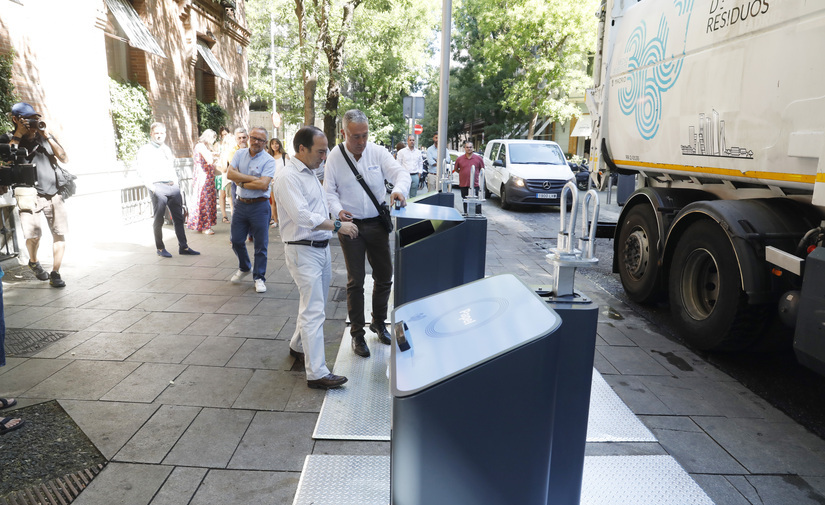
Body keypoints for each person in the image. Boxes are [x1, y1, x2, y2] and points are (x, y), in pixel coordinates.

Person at [273, 126, 358, 389]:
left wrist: (336, 216)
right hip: (302, 249)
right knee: (313, 311)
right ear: (302, 149)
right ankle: (317, 373)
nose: (324, 156)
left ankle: (298, 346)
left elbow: (318, 206)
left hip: (318, 250)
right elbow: (302, 216)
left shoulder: (310, 173)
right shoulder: (287, 177)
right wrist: (335, 226)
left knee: (313, 306)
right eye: (320, 151)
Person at [324, 109, 409, 358]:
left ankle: (378, 323)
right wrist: (338, 211)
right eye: (355, 137)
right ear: (344, 133)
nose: (361, 142)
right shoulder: (335, 157)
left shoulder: (378, 152)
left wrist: (399, 190)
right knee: (356, 280)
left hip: (376, 224)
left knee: (384, 275)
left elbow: (400, 174)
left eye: (364, 135)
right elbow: (329, 191)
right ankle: (357, 334)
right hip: (350, 226)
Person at [0, 103, 70, 287]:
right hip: (29, 195)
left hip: (54, 193)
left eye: (35, 118)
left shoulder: (44, 137)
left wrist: (47, 136)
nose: (33, 122)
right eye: (28, 119)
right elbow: (7, 159)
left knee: (59, 234)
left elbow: (64, 158)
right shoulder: (9, 138)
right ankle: (33, 261)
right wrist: (19, 134)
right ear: (16, 120)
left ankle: (55, 273)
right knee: (33, 236)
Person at [136, 122, 200, 258]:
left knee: (179, 218)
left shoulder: (166, 149)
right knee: (159, 219)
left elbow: (172, 167)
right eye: (156, 133)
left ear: (165, 134)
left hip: (172, 187)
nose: (159, 136)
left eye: (162, 133)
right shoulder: (145, 150)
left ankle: (184, 246)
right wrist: (153, 188)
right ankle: (160, 248)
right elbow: (141, 171)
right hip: (158, 187)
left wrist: (176, 183)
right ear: (151, 134)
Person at [226, 127, 275, 293]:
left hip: (260, 206)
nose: (256, 142)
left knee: (261, 245)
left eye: (260, 140)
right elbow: (230, 174)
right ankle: (245, 266)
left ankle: (259, 277)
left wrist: (240, 181)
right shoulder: (240, 154)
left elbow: (263, 185)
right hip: (240, 204)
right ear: (249, 138)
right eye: (253, 138)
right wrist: (253, 179)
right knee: (237, 240)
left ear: (265, 143)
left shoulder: (269, 160)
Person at [187, 129, 218, 235]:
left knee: (204, 199)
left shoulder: (200, 146)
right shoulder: (201, 146)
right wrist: (217, 156)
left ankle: (201, 225)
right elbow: (209, 160)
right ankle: (205, 226)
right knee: (204, 200)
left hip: (205, 176)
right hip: (203, 177)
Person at [218, 128, 248, 223]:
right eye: (239, 138)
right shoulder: (232, 152)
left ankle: (251, 233)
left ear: (247, 138)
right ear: (236, 139)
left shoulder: (253, 150)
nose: (242, 140)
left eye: (244, 137)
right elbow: (233, 169)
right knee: (237, 207)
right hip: (237, 184)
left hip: (251, 183)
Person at [454, 140, 484, 213]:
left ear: (473, 148)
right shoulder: (459, 159)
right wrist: (463, 173)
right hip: (463, 184)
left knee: (476, 201)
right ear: (464, 148)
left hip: (475, 184)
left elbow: (482, 170)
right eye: (467, 147)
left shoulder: (478, 158)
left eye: (470, 147)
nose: (469, 149)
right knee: (465, 201)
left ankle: (478, 216)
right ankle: (466, 215)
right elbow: (456, 169)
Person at [266, 137, 289, 228]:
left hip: (283, 182)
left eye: (276, 143)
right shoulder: (269, 157)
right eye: (272, 144)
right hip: (272, 182)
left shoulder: (285, 155)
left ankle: (285, 220)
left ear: (279, 144)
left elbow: (289, 169)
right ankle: (275, 220)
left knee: (284, 202)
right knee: (274, 202)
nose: (274, 146)